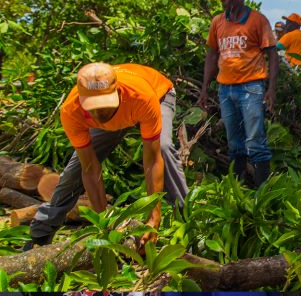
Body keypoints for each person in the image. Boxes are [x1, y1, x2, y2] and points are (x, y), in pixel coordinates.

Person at [27, 63, 189, 249]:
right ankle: (40, 235)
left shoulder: (141, 97)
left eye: (104, 106)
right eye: (93, 108)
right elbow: (90, 168)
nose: (99, 113)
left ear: (118, 92)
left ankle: (187, 223)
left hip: (158, 95)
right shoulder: (71, 110)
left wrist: (154, 218)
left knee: (163, 148)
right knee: (76, 169)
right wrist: (104, 226)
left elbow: (152, 161)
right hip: (126, 109)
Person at [198, 0, 278, 188]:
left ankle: (263, 193)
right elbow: (212, 55)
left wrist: (270, 89)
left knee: (255, 140)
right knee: (234, 142)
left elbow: (272, 54)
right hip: (226, 89)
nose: (222, 0)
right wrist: (205, 89)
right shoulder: (217, 22)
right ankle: (239, 188)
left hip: (251, 87)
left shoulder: (258, 20)